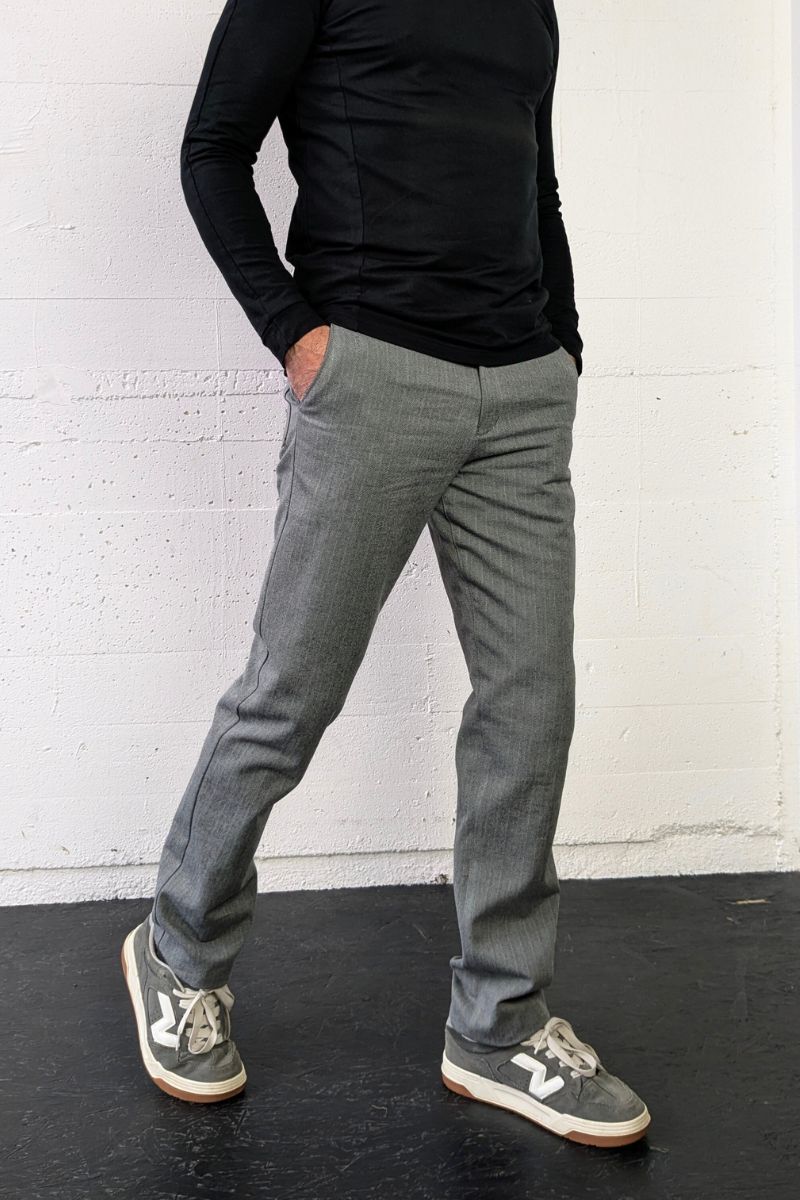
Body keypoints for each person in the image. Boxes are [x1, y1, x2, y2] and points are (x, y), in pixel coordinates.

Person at [121, 0, 650, 1145]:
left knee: (530, 704)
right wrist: (294, 331)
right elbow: (213, 149)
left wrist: (562, 346)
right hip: (371, 373)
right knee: (291, 693)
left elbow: (536, 183)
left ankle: (498, 1024)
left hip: (520, 389)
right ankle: (178, 951)